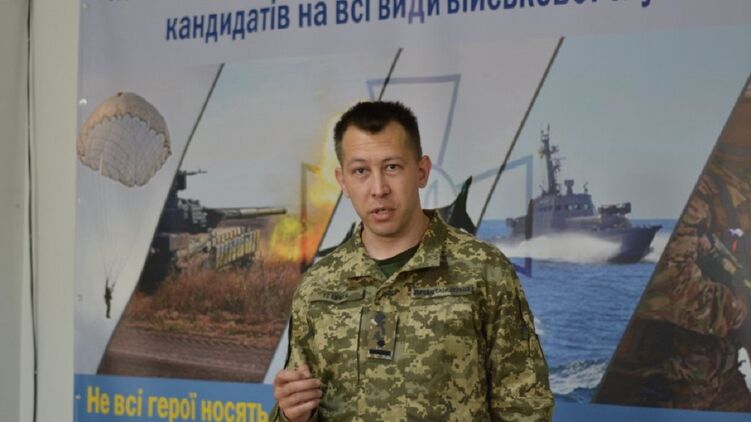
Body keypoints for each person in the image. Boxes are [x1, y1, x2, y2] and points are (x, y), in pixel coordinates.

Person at [272, 101, 553, 421]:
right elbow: (297, 406)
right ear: (343, 181)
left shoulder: (483, 269)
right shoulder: (317, 287)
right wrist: (290, 416)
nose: (378, 189)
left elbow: (526, 406)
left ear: (421, 171)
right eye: (360, 171)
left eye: (392, 167)